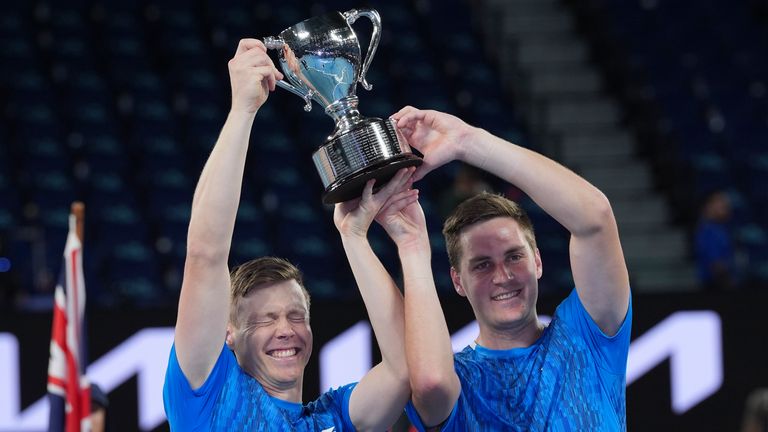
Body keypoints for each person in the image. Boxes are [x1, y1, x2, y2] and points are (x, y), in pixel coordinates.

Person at [162, 38, 411, 431]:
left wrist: (354, 237)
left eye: (296, 316)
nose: (286, 331)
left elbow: (403, 369)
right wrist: (243, 111)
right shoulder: (209, 398)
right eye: (265, 320)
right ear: (229, 335)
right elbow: (206, 254)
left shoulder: (335, 417)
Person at [386, 106, 632, 431]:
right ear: (458, 282)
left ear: (538, 261)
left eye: (514, 256)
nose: (502, 276)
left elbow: (595, 218)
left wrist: (469, 142)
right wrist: (409, 246)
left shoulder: (585, 339)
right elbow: (430, 383)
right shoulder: (455, 380)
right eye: (482, 265)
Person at [694, 190, 737, 290]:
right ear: (708, 206)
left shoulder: (722, 229)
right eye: (719, 201)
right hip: (715, 288)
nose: (725, 204)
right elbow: (716, 265)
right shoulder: (708, 231)